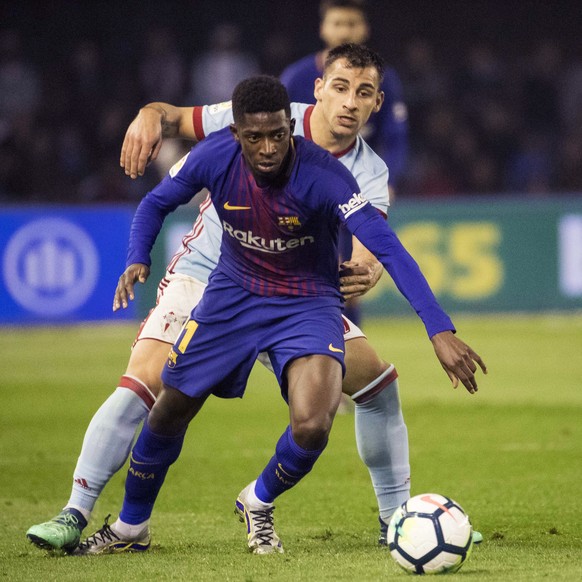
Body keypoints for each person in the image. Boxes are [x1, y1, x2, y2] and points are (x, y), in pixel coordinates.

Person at [26, 46, 484, 554]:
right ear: (314, 91)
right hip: (216, 279)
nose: (350, 102)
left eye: (364, 93)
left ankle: (394, 520)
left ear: (378, 103)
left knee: (366, 390)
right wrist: (148, 116)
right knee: (152, 386)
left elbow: (381, 246)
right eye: (340, 87)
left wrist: (424, 316)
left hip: (303, 295)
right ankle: (81, 511)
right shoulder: (248, 119)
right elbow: (169, 138)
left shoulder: (354, 173)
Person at [279, 0, 408, 327]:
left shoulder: (384, 79)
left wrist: (388, 180)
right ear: (324, 28)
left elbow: (395, 137)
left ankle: (347, 345)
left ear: (363, 29)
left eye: (352, 24)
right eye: (338, 23)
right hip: (301, 190)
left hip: (355, 188)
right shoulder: (296, 77)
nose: (345, 31)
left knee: (352, 273)